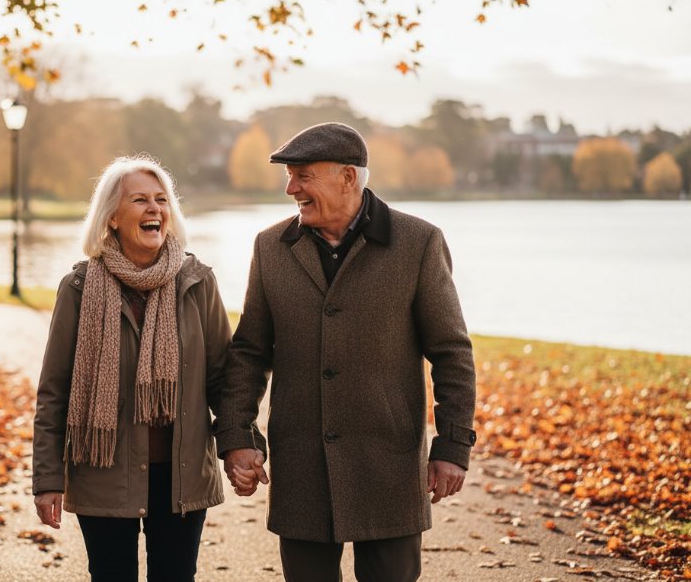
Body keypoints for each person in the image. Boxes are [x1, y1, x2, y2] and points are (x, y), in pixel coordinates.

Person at [214, 123, 477, 582]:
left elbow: (452, 353)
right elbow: (249, 353)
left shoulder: (418, 243)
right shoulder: (270, 248)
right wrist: (238, 438)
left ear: (348, 177)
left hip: (390, 466)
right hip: (301, 469)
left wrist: (453, 445)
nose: (291, 188)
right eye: (289, 176)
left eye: (302, 176)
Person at [31, 155, 238, 582]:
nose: (154, 209)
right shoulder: (79, 289)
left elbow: (225, 381)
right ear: (111, 218)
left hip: (182, 479)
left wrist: (241, 446)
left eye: (161, 200)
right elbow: (55, 391)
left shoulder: (197, 283)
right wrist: (47, 477)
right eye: (140, 200)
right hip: (103, 472)